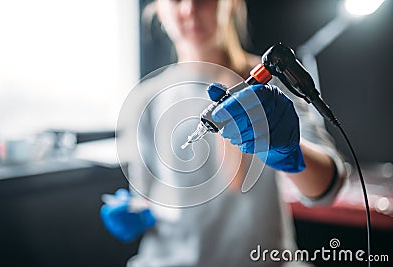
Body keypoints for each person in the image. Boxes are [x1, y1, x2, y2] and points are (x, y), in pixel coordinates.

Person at [100, 0, 346, 266]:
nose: (189, 10)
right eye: (175, 0)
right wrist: (135, 211)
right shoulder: (145, 99)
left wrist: (289, 151)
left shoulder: (273, 81)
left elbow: (328, 186)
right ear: (159, 9)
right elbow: (147, 197)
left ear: (230, 4)